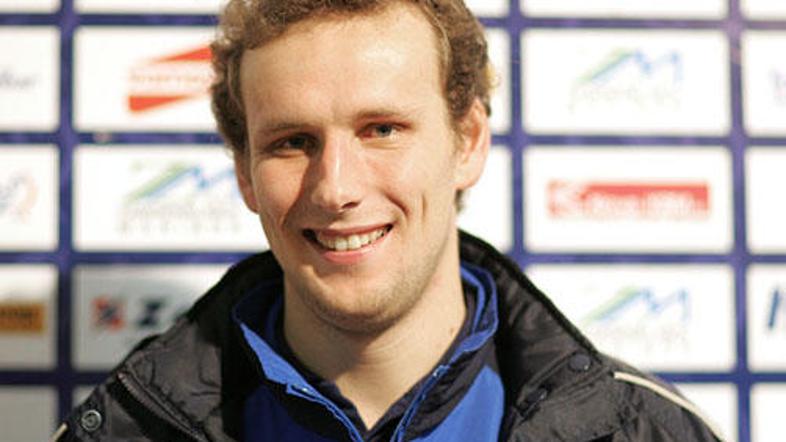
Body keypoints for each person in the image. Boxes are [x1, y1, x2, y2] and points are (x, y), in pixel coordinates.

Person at [55, 1, 725, 441]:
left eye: (381, 129)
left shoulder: (648, 430)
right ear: (245, 174)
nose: (336, 187)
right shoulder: (123, 431)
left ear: (467, 142)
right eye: (292, 142)